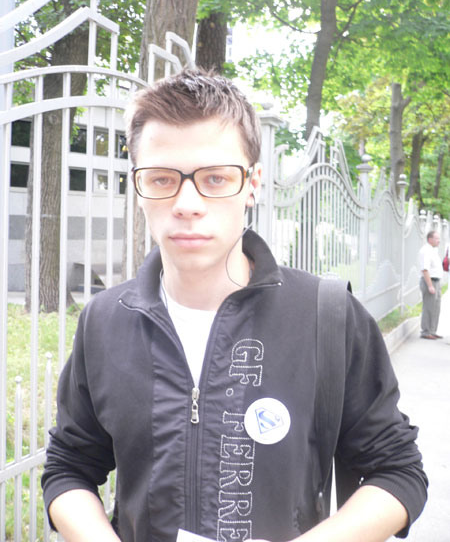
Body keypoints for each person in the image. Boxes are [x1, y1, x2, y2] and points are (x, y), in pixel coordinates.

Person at [42, 69, 427, 542]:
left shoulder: (327, 316)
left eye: (215, 178)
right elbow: (69, 466)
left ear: (252, 184)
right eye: (161, 179)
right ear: (138, 187)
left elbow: (398, 471)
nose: (187, 203)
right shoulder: (105, 321)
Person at [418, 230, 443, 340]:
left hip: (436, 281)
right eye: (436, 238)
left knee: (436, 308)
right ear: (430, 239)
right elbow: (425, 269)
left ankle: (432, 331)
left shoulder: (433, 250)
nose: (439, 240)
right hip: (430, 281)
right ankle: (426, 331)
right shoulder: (425, 251)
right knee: (428, 307)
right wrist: (430, 285)